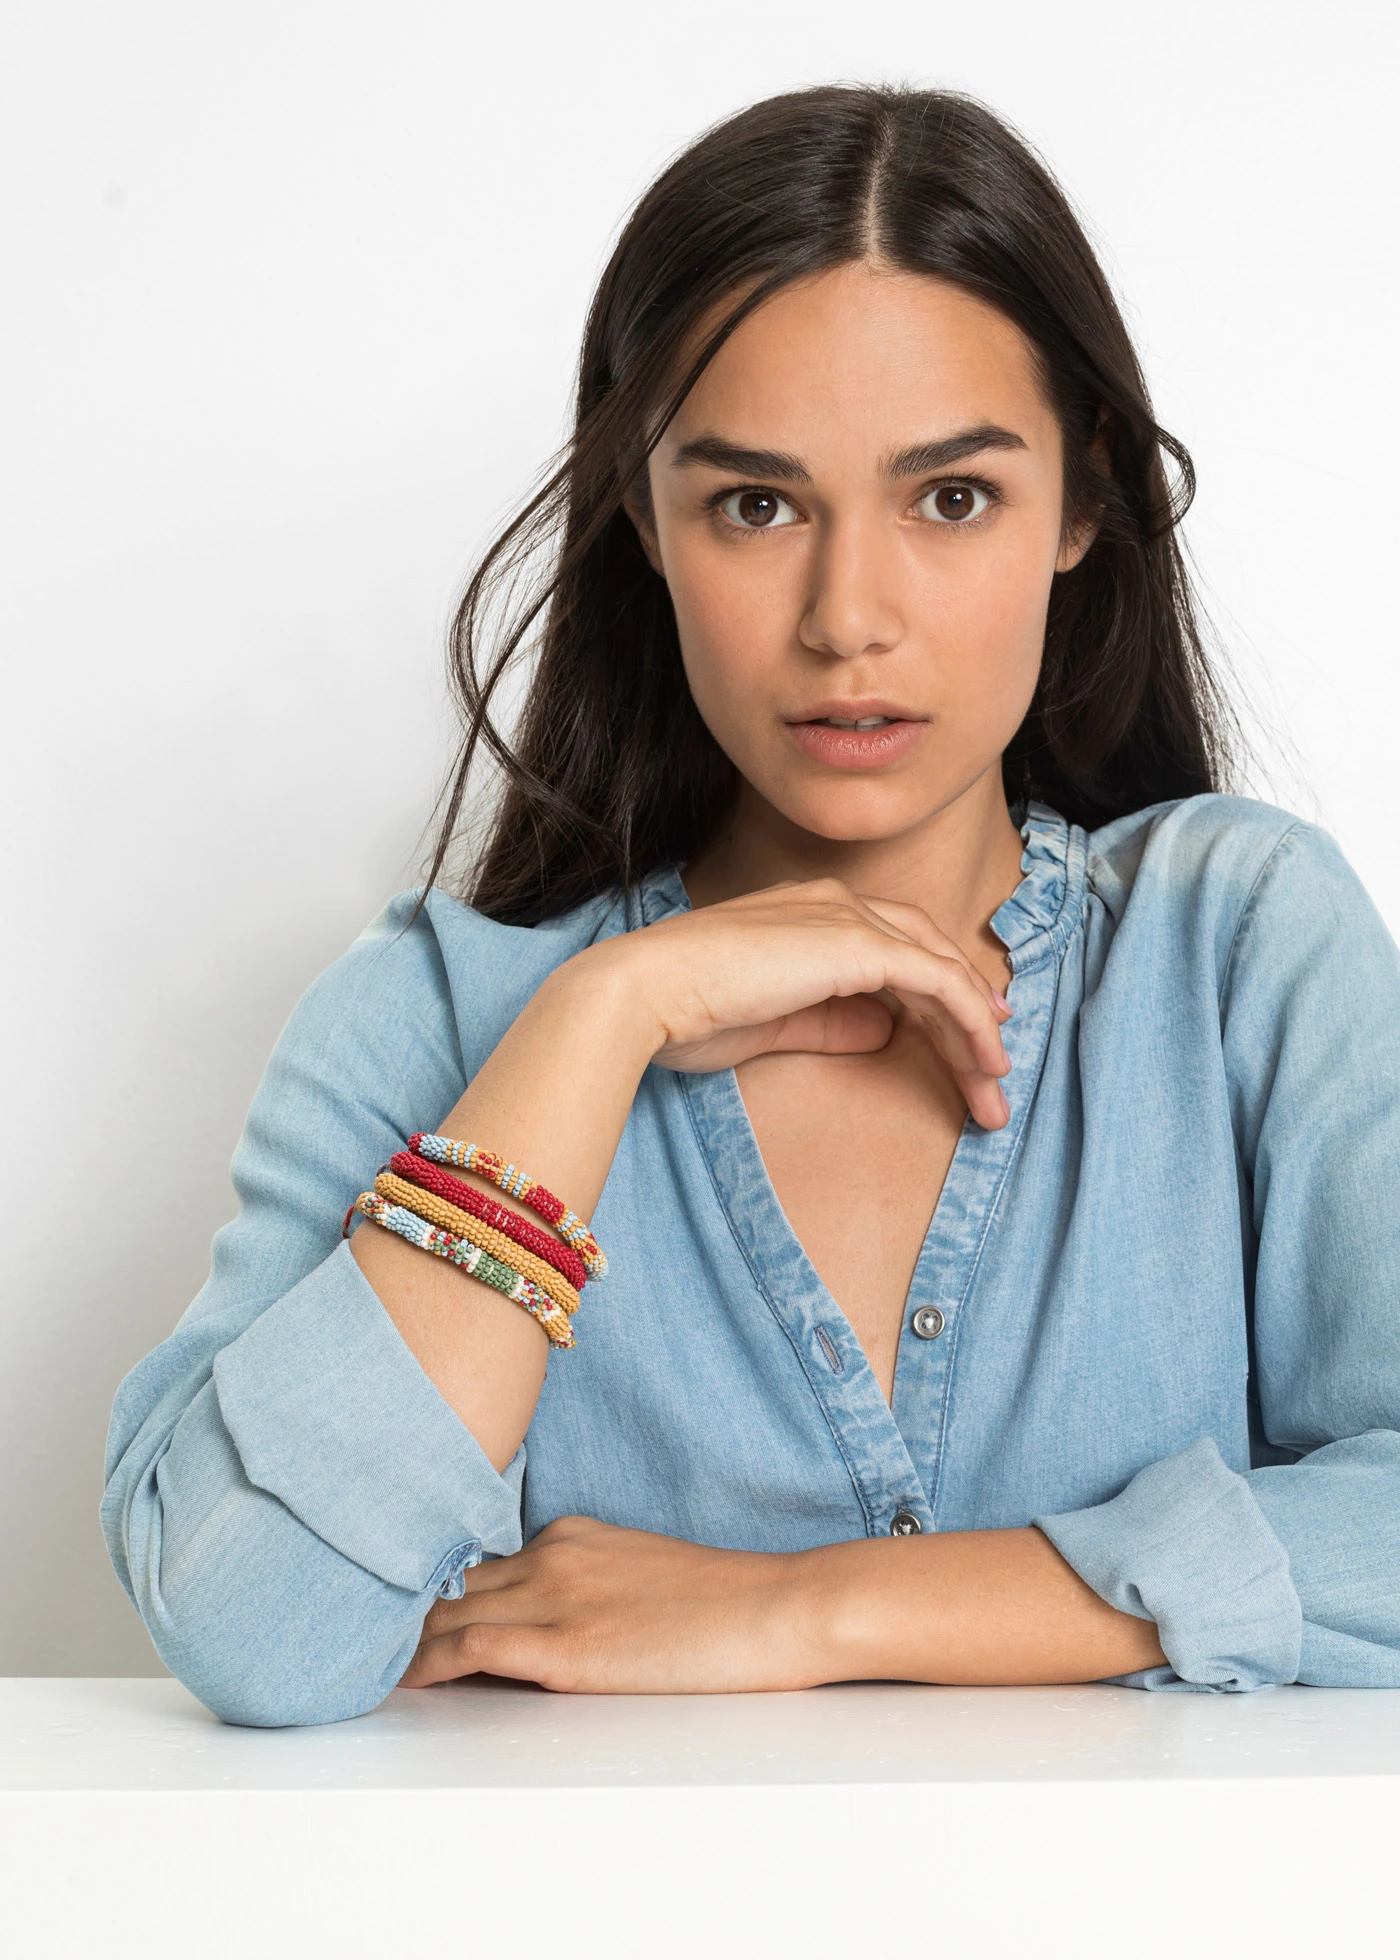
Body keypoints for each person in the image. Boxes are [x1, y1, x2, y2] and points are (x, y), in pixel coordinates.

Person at [104, 85, 1400, 1727]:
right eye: (756, 505)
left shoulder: (1240, 950)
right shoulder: (443, 1018)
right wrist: (600, 1020)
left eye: (951, 498)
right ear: (642, 518)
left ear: (1082, 507)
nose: (847, 615)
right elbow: (260, 1634)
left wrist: (813, 1612)